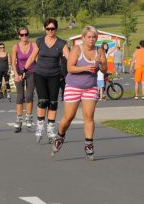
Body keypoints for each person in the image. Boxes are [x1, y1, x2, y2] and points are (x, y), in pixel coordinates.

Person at [51, 26, 107, 160]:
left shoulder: (99, 51)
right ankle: (60, 136)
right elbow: (70, 68)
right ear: (83, 38)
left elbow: (104, 70)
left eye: (94, 37)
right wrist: (85, 67)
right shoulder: (77, 49)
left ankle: (89, 144)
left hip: (90, 87)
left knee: (89, 116)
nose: (92, 39)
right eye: (89, 37)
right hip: (73, 86)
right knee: (69, 116)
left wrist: (100, 63)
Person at [22, 18, 70, 143]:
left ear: (56, 29)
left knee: (53, 103)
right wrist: (24, 70)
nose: (50, 31)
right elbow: (32, 57)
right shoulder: (39, 41)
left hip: (55, 75)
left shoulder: (61, 43)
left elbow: (70, 58)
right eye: (48, 29)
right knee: (43, 101)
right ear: (45, 29)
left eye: (52, 29)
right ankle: (39, 126)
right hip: (40, 74)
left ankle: (51, 129)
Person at [12, 27, 36, 132]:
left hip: (31, 72)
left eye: (26, 34)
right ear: (19, 36)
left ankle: (29, 117)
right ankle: (19, 120)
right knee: (20, 96)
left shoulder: (33, 45)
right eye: (22, 35)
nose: (24, 36)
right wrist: (16, 74)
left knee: (29, 95)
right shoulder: (15, 47)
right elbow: (13, 62)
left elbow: (37, 58)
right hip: (19, 73)